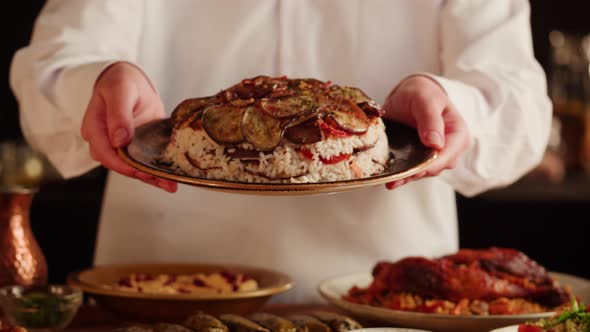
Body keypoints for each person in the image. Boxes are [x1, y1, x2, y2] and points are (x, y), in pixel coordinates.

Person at [10, 0, 551, 302]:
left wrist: (450, 103)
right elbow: (50, 66)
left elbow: (521, 103)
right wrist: (99, 80)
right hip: (160, 288)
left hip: (386, 295)